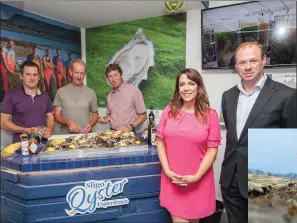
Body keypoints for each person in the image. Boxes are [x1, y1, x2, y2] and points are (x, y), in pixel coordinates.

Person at [220, 42, 295, 223]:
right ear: (236, 66)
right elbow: (233, 135)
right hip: (232, 178)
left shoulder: (287, 95)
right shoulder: (228, 96)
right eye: (242, 62)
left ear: (263, 61)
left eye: (253, 61)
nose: (247, 67)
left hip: (268, 177)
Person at [156, 68, 222, 223]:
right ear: (178, 89)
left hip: (198, 181)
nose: (186, 88)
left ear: (198, 87)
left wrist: (197, 176)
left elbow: (212, 150)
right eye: (182, 84)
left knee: (193, 220)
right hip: (173, 179)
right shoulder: (168, 111)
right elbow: (160, 142)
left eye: (191, 83)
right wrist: (166, 170)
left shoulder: (210, 115)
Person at [1, 61, 54, 143]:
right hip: (21, 145)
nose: (32, 78)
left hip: (43, 144)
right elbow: (3, 122)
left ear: (39, 77)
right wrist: (26, 130)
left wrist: (49, 129)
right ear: (21, 76)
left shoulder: (45, 96)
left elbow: (50, 116)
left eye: (35, 75)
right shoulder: (11, 96)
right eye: (28, 74)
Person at [53, 59, 99, 134]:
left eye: (82, 73)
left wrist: (90, 125)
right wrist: (68, 121)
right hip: (66, 138)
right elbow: (56, 116)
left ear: (85, 74)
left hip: (85, 137)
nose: (79, 76)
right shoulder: (61, 91)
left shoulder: (91, 93)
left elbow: (95, 115)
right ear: (71, 72)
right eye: (76, 73)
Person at [98, 63, 147, 133]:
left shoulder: (134, 91)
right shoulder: (109, 95)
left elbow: (143, 115)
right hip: (112, 133)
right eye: (110, 76)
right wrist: (105, 119)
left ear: (121, 75)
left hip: (128, 133)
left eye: (116, 75)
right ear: (108, 79)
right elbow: (110, 116)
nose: (113, 79)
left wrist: (129, 127)